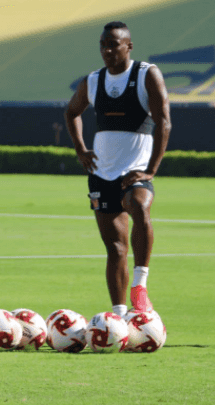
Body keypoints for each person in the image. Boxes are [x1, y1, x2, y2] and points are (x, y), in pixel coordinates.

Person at [64, 21, 171, 317]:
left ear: (129, 46)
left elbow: (163, 121)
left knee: (139, 205)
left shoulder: (146, 74)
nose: (108, 50)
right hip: (101, 173)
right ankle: (119, 314)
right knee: (115, 250)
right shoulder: (94, 80)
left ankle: (140, 284)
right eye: (103, 45)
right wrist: (81, 149)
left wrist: (151, 170)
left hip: (135, 169)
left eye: (114, 44)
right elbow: (72, 112)